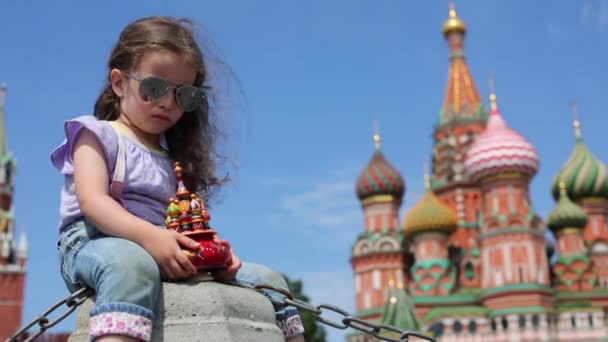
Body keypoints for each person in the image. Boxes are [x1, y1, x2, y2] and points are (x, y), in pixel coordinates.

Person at [51, 16, 305, 342]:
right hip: (93, 242)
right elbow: (93, 202)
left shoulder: (174, 162)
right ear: (119, 82)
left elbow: (180, 225)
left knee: (270, 282)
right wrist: (149, 238)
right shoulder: (96, 134)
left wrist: (213, 254)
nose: (167, 102)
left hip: (163, 247)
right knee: (133, 264)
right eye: (154, 88)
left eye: (183, 95)